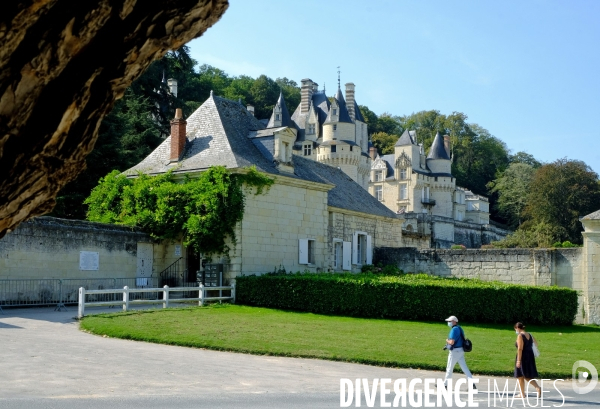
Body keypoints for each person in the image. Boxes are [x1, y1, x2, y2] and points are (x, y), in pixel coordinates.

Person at [443, 316, 475, 389]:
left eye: (450, 321)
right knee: (464, 368)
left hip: (455, 351)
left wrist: (447, 340)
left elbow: (451, 342)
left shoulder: (454, 330)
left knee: (449, 368)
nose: (448, 323)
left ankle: (445, 385)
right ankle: (472, 384)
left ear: (454, 321)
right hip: (461, 350)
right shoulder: (459, 328)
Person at [514, 322, 541, 398]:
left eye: (515, 329)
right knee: (524, 375)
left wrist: (518, 361)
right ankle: (522, 393)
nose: (515, 331)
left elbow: (520, 349)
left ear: (518, 328)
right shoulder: (529, 334)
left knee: (521, 374)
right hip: (530, 355)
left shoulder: (520, 336)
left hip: (523, 356)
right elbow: (536, 344)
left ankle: (536, 388)